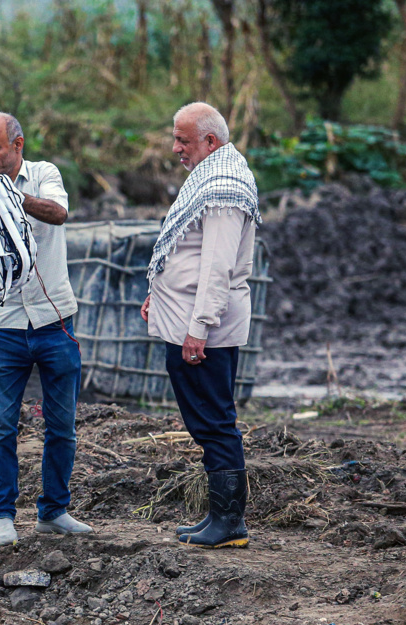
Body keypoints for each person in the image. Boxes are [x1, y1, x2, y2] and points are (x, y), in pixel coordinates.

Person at [0, 111, 92, 546]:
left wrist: (8, 195)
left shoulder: (44, 174)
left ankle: (53, 512)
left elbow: (59, 213)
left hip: (53, 321)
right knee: (2, 425)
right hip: (4, 325)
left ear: (18, 145)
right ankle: (2, 514)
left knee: (61, 425)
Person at [141, 102, 259, 548]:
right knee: (207, 419)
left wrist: (199, 328)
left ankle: (229, 522)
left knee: (214, 420)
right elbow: (188, 251)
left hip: (204, 329)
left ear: (210, 141)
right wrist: (160, 290)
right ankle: (220, 517)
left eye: (183, 140)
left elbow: (217, 267)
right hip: (191, 322)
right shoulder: (212, 177)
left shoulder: (224, 187)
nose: (175, 148)